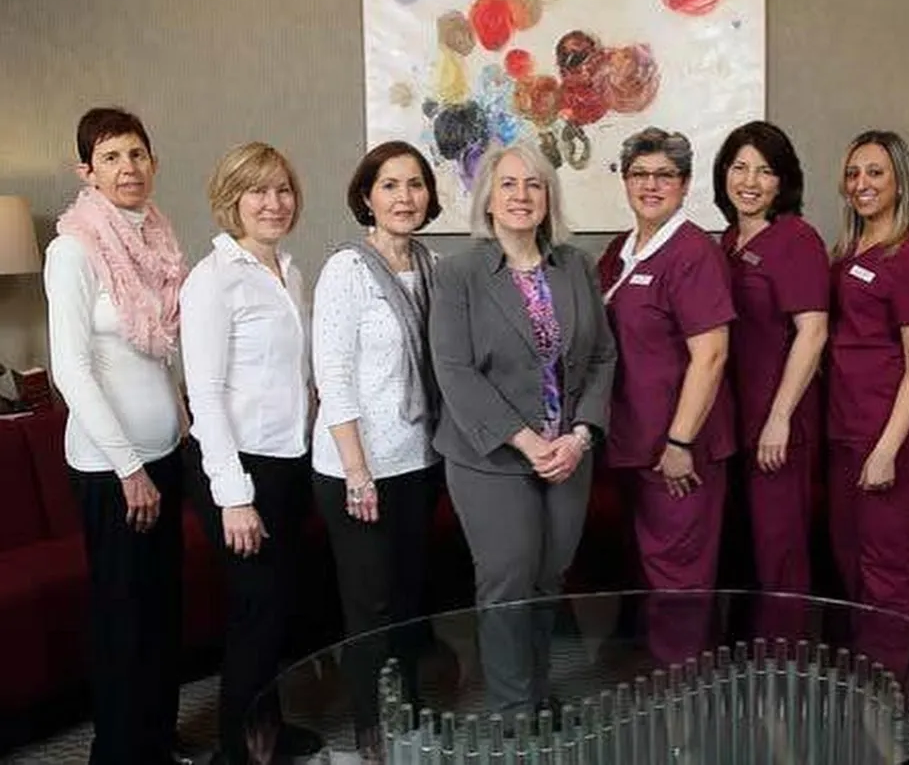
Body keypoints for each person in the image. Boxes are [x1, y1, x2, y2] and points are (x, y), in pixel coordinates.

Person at [430, 140, 616, 720]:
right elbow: (454, 371)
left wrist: (579, 436)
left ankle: (535, 693)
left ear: (548, 198)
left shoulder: (576, 266)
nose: (521, 195)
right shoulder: (458, 274)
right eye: (508, 184)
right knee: (508, 581)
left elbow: (603, 356)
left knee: (548, 578)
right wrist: (528, 441)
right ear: (488, 199)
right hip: (491, 457)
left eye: (534, 184)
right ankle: (513, 711)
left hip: (568, 453)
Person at [44, 107, 188, 765]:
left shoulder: (157, 235)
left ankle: (156, 739)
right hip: (113, 467)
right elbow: (71, 369)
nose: (127, 168)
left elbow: (159, 352)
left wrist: (182, 426)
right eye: (110, 157)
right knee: (123, 618)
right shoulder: (73, 248)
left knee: (161, 613)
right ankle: (119, 752)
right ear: (87, 172)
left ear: (153, 162)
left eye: (136, 154)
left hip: (165, 452)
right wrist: (130, 468)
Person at [180, 142, 320, 765]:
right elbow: (205, 396)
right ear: (231, 200)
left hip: (287, 461)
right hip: (237, 468)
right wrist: (234, 497)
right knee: (255, 611)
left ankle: (269, 732)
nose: (274, 202)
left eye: (283, 189)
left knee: (277, 607)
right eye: (258, 191)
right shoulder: (213, 280)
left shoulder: (289, 270)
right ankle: (239, 753)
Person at [311, 141, 443, 758]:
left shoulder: (434, 265)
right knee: (371, 606)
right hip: (357, 466)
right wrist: (357, 471)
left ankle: (408, 714)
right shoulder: (347, 270)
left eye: (414, 184)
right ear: (367, 196)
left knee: (412, 600)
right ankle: (372, 729)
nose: (404, 197)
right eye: (389, 185)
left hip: (420, 460)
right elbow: (332, 376)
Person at [598, 127, 735, 663]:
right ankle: (657, 677)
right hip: (633, 442)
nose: (650, 185)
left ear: (685, 183)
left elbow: (712, 355)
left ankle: (681, 692)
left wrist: (680, 442)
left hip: (678, 451)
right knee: (647, 571)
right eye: (640, 174)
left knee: (678, 577)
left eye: (664, 175)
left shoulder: (694, 253)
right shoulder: (620, 251)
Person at [826, 130, 909, 682]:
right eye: (853, 173)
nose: (862, 184)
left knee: (886, 565)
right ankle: (875, 669)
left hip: (887, 432)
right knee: (849, 555)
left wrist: (887, 448)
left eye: (875, 173)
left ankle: (888, 685)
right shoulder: (848, 253)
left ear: (899, 182)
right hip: (845, 426)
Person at [713, 121, 828, 602]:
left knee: (778, 556)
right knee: (742, 557)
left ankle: (785, 651)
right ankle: (747, 651)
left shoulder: (796, 239)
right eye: (739, 167)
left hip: (778, 423)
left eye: (764, 171)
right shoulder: (726, 242)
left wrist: (779, 418)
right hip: (732, 423)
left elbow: (813, 332)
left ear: (783, 181)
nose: (750, 181)